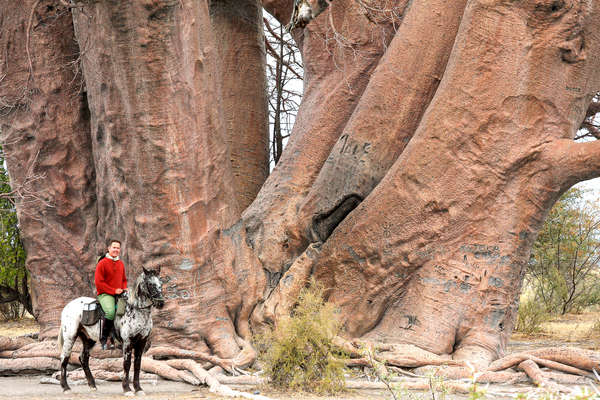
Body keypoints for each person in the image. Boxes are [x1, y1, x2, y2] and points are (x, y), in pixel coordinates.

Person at [95, 239, 127, 350]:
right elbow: (99, 283)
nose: (116, 250)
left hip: (119, 293)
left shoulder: (121, 263)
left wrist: (124, 288)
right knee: (111, 312)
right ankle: (104, 339)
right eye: (114, 247)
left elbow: (124, 279)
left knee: (126, 311)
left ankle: (120, 338)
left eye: (118, 248)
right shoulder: (102, 263)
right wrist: (113, 291)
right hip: (105, 294)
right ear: (109, 248)